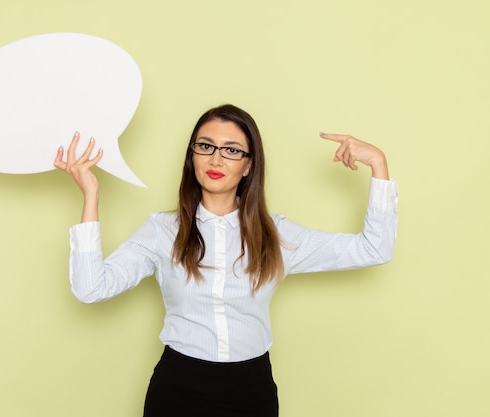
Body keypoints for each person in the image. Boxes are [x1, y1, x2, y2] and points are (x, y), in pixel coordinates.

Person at [54, 104, 398, 417]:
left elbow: (374, 249)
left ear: (249, 165)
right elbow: (90, 288)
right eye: (205, 146)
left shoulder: (277, 235)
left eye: (231, 150)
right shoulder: (161, 231)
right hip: (178, 389)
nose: (216, 160)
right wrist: (91, 195)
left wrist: (379, 164)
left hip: (251, 391)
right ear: (192, 157)